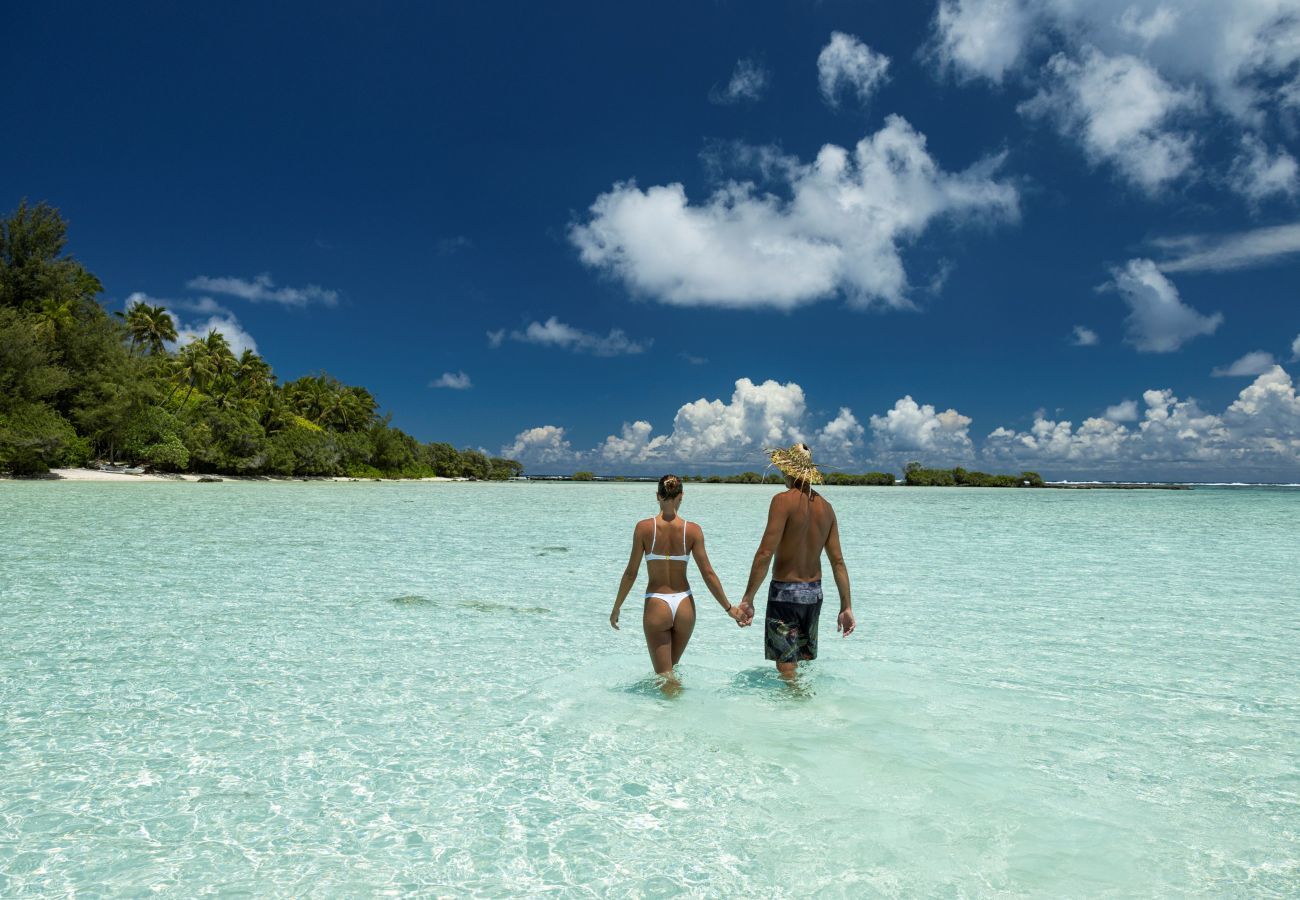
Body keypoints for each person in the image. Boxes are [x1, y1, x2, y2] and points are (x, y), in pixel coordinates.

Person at [736, 443, 855, 677]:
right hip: (814, 594)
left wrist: (748, 598)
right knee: (801, 663)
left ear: (788, 469)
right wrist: (846, 606)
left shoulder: (782, 501)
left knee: (786, 668)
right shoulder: (827, 508)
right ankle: (805, 708)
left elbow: (765, 553)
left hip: (785, 594)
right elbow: (838, 561)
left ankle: (797, 705)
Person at [610, 474, 742, 682]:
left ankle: (669, 710)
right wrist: (728, 608)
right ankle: (677, 711)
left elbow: (630, 573)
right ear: (681, 496)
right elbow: (708, 573)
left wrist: (617, 606)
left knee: (665, 677)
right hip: (684, 605)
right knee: (670, 671)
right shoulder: (692, 530)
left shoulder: (644, 528)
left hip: (657, 603)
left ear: (657, 496)